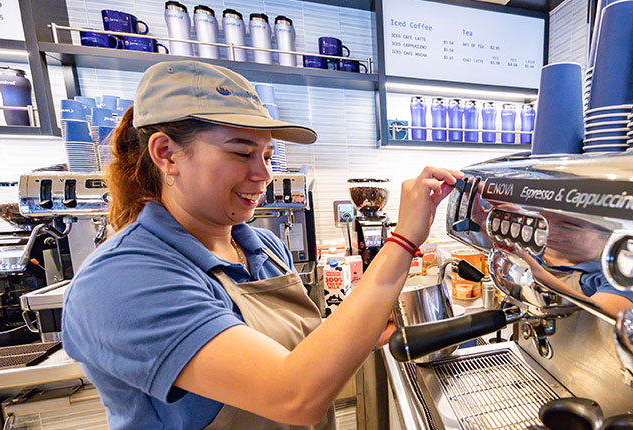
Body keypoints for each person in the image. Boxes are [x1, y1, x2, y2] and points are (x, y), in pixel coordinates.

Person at [61, 61, 462, 429]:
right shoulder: (122, 279)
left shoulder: (265, 247)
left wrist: (366, 327)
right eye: (242, 153)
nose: (264, 174)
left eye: (268, 155)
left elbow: (296, 351)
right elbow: (293, 395)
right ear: (166, 154)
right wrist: (403, 240)